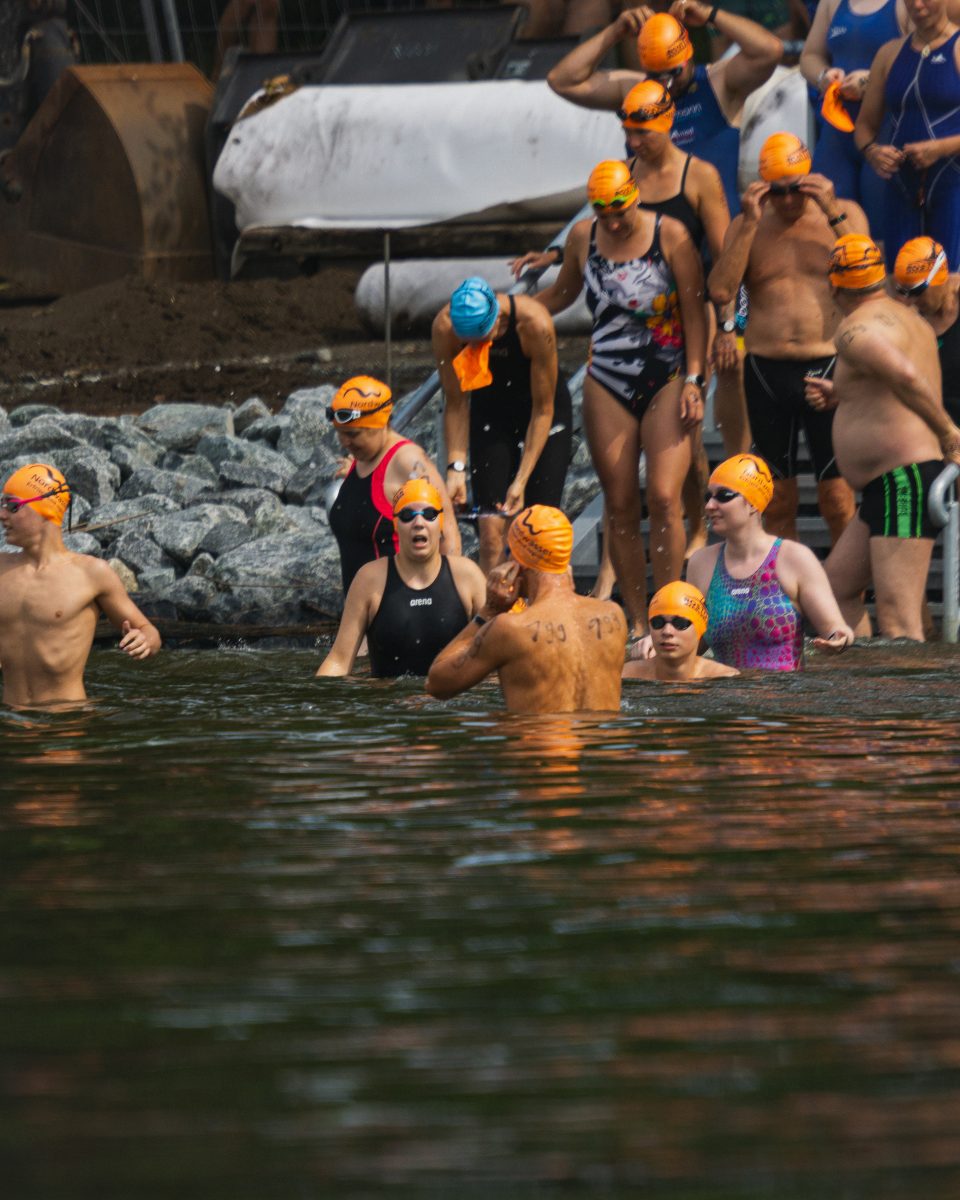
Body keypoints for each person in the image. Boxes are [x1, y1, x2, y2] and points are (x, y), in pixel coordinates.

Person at [534, 155, 707, 653]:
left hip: (667, 374)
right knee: (621, 502)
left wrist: (696, 378)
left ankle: (672, 612)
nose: (612, 222)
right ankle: (638, 624)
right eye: (603, 213)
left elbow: (694, 311)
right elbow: (563, 293)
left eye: (620, 211)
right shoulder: (582, 237)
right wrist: (508, 311)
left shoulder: (670, 234)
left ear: (635, 198)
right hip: (607, 377)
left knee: (666, 498)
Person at [708, 131, 865, 543]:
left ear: (810, 178)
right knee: (776, 501)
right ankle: (787, 583)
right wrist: (748, 225)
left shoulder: (843, 213)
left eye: (796, 188)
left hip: (827, 364)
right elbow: (721, 290)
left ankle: (845, 584)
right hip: (767, 372)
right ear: (763, 188)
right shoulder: (748, 225)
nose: (789, 200)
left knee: (838, 499)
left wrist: (831, 210)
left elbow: (868, 275)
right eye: (777, 192)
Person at [806, 234, 960, 639]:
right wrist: (844, 393)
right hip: (891, 483)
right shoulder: (909, 318)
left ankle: (916, 685)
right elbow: (901, 380)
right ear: (880, 279)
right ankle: (860, 676)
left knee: (898, 619)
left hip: (903, 480)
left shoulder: (853, 330)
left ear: (833, 287)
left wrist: (949, 433)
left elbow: (904, 375)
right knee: (835, 591)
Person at [546, 7, 783, 217]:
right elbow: (562, 81)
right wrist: (614, 32)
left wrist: (710, 15)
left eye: (674, 72)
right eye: (656, 75)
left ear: (689, 55)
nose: (667, 83)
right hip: (654, 237)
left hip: (714, 229)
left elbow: (770, 50)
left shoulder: (719, 83)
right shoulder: (633, 90)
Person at [426, 505, 627, 713]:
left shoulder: (510, 629)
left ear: (516, 562)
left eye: (508, 553)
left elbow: (437, 684)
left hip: (534, 735)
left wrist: (489, 611)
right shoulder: (614, 616)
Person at [432, 277, 572, 575]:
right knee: (490, 531)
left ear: (497, 320)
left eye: (482, 340)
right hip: (492, 413)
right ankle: (493, 603)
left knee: (538, 529)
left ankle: (539, 600)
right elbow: (456, 403)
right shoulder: (444, 328)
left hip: (542, 414)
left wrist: (521, 480)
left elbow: (543, 409)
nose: (475, 349)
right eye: (467, 344)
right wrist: (455, 468)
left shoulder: (533, 323)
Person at [0, 463, 161, 709]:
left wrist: (145, 640)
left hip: (66, 718)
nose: (2, 514)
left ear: (46, 508)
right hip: (11, 719)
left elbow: (149, 632)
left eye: (12, 506)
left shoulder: (91, 574)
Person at [687, 453, 856, 668]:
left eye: (723, 496)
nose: (710, 505)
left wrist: (840, 638)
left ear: (752, 504)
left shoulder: (794, 558)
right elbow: (691, 641)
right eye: (708, 497)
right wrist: (659, 642)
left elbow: (835, 627)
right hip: (724, 688)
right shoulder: (701, 563)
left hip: (783, 688)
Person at [317, 480, 485, 678]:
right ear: (395, 524)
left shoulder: (467, 576)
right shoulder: (370, 580)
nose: (419, 523)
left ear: (440, 523)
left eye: (429, 514)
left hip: (454, 696)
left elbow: (497, 653)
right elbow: (339, 660)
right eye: (407, 515)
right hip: (389, 696)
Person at [326, 375, 460, 597]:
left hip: (402, 605)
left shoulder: (408, 462)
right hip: (362, 605)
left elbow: (447, 533)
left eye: (352, 434)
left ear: (380, 425)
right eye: (339, 433)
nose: (344, 442)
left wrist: (447, 600)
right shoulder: (362, 458)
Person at [854, 0, 960, 268]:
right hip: (901, 187)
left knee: (948, 282)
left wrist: (941, 148)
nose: (917, 5)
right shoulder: (889, 53)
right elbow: (864, 126)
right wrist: (872, 152)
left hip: (952, 185)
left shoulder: (958, 48)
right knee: (899, 278)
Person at [799, 0, 905, 234]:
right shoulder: (832, 3)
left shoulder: (906, 5)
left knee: (881, 231)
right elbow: (809, 56)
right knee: (825, 226)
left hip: (883, 133)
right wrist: (824, 76)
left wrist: (871, 80)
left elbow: (921, 60)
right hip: (837, 136)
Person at [892, 236, 960, 424]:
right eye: (904, 292)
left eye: (917, 291)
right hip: (933, 428)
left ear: (940, 278)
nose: (911, 300)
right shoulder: (907, 317)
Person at [623, 580, 740, 679]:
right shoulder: (626, 675)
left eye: (680, 623)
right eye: (658, 622)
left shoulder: (723, 678)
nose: (667, 631)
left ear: (701, 628)